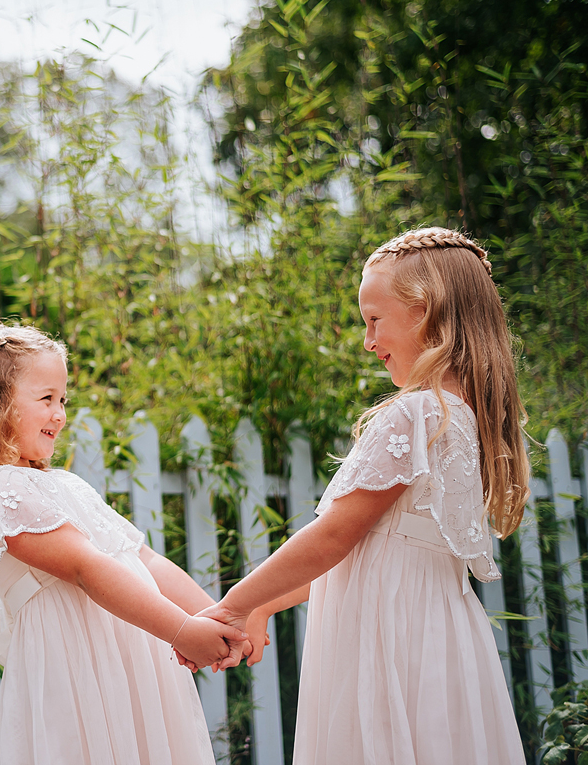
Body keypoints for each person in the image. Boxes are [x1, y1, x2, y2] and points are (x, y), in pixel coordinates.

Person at [198, 228, 528, 763]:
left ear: (425, 312)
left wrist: (234, 605)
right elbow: (373, 555)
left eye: (374, 321)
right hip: (437, 647)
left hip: (389, 651)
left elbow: (333, 538)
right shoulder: (464, 423)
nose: (368, 342)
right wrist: (265, 606)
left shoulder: (417, 415)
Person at [0, 323, 245, 765]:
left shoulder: (64, 483)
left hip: (131, 662)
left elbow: (143, 559)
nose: (60, 414)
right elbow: (84, 567)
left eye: (63, 400)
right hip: (78, 674)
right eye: (46, 399)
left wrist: (221, 619)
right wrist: (183, 631)